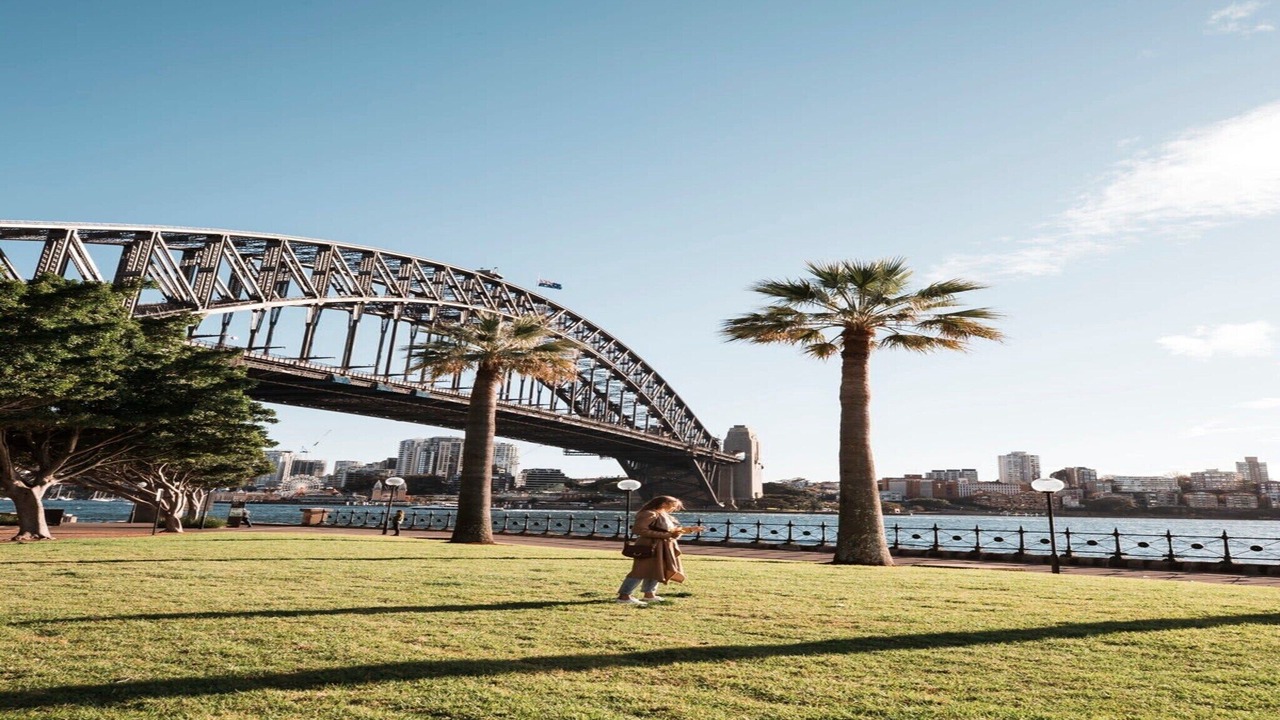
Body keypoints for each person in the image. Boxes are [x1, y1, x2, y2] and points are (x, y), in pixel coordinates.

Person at [616, 495, 704, 605]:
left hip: (661, 546)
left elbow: (671, 531)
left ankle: (649, 594)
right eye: (673, 506)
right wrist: (665, 535)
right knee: (640, 570)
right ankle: (624, 596)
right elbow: (639, 530)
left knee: (657, 570)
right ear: (663, 504)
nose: (674, 509)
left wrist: (689, 530)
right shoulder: (649, 513)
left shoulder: (663, 515)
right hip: (649, 546)